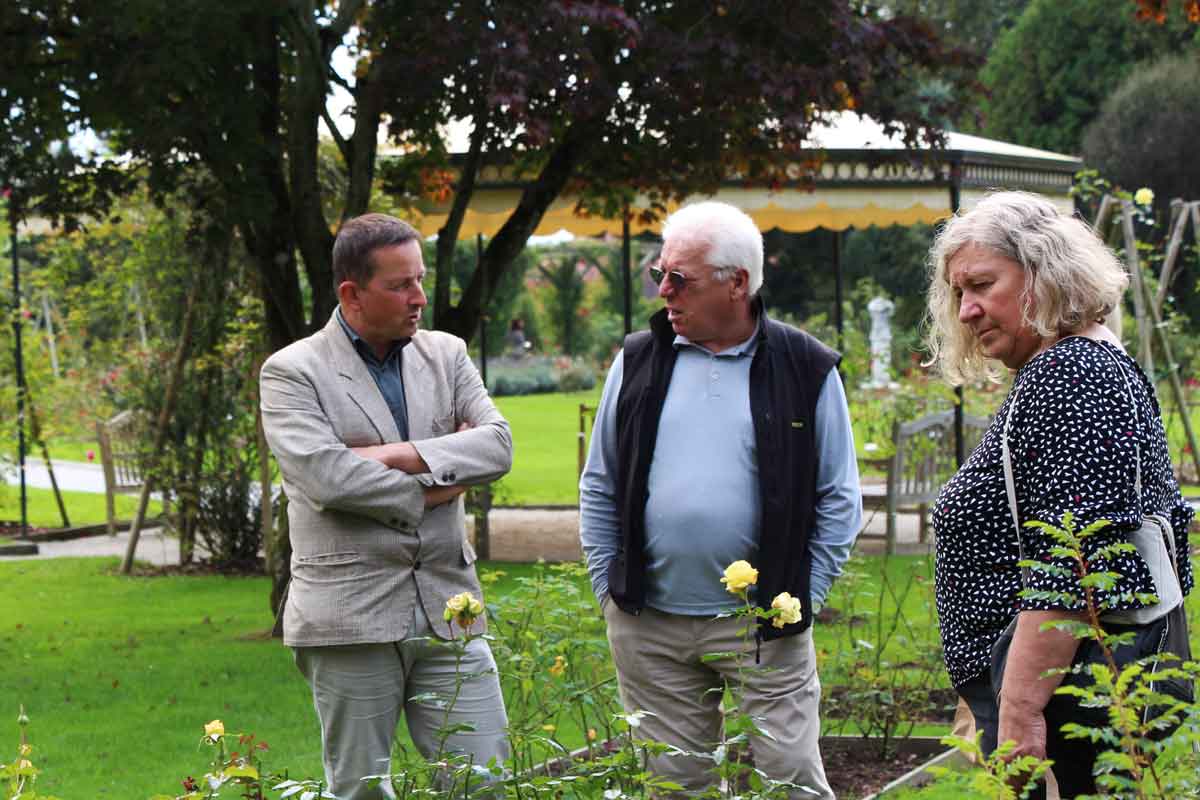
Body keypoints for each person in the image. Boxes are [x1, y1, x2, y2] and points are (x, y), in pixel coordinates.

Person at [579, 201, 862, 798]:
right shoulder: (637, 361)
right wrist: (609, 589)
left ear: (737, 283)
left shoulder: (805, 367)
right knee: (675, 787)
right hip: (649, 624)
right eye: (659, 274)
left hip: (764, 627)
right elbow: (600, 483)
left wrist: (797, 598)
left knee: (791, 780)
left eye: (679, 279)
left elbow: (839, 499)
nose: (664, 292)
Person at [925, 191, 1193, 797]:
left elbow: (1073, 560)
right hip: (1060, 692)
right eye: (958, 293)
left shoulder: (1073, 374)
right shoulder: (1070, 367)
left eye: (982, 285)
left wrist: (1020, 709)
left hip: (1067, 702)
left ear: (1045, 272)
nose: (966, 311)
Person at [260, 213, 514, 800]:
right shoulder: (293, 372)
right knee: (362, 791)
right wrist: (439, 480)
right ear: (352, 293)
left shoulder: (447, 354)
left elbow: (497, 445)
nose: (419, 297)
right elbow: (328, 478)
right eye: (401, 285)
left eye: (420, 280)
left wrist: (393, 455)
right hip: (349, 616)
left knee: (485, 784)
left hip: (451, 610)